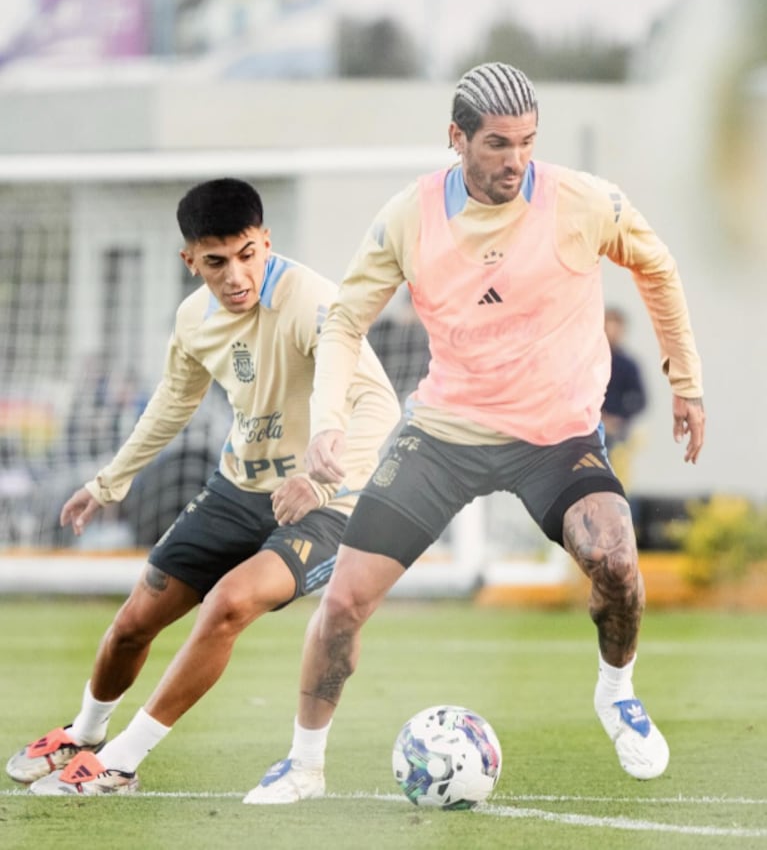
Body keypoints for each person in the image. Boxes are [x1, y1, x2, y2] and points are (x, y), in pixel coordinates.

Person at [244, 62, 705, 804]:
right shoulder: (408, 217)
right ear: (455, 139)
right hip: (444, 434)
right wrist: (327, 423)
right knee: (343, 605)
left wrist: (684, 380)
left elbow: (657, 267)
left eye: (526, 141)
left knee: (615, 560)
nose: (514, 160)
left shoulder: (581, 201)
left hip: (554, 437)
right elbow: (344, 322)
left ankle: (615, 692)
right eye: (495, 143)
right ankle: (302, 765)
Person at [6, 177, 399, 796]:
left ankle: (121, 763)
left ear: (266, 241)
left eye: (248, 253)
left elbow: (380, 406)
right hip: (237, 490)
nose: (237, 274)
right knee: (135, 621)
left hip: (328, 502)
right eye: (216, 262)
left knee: (228, 605)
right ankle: (83, 735)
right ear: (190, 261)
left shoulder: (314, 303)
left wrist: (320, 485)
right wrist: (109, 482)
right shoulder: (193, 319)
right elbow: (172, 403)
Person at [601, 305, 648, 487]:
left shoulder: (629, 365)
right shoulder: (588, 361)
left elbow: (640, 400)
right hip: (589, 428)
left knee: (617, 478)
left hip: (617, 432)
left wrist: (618, 417)